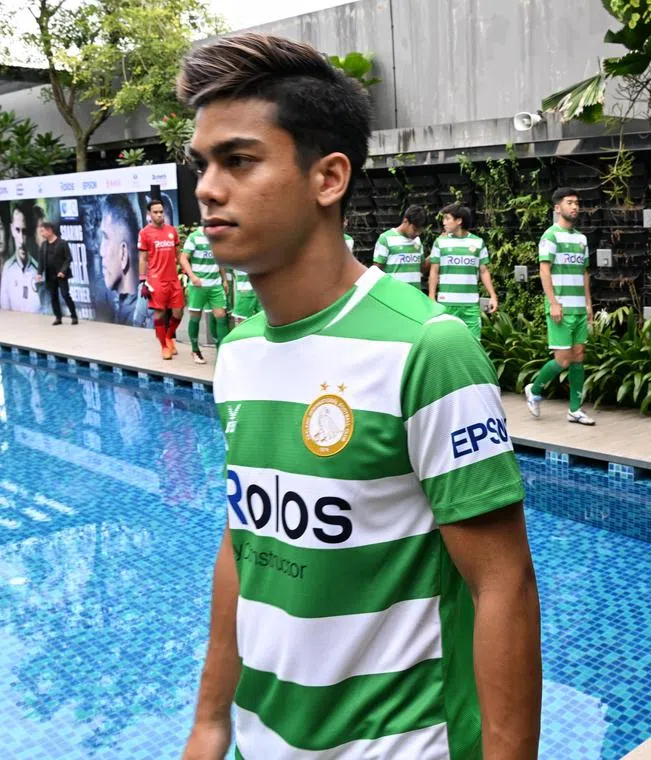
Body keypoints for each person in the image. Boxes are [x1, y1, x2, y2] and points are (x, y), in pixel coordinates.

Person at [177, 32, 541, 760]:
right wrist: (211, 724)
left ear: (328, 177)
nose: (208, 188)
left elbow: (504, 586)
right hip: (262, 740)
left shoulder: (426, 349)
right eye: (204, 164)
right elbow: (243, 543)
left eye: (239, 160)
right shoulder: (240, 351)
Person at [525, 188, 596, 426]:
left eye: (577, 203)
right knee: (563, 358)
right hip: (560, 308)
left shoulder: (581, 239)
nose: (575, 207)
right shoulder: (550, 236)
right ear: (557, 208)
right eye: (569, 203)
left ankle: (575, 410)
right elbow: (544, 270)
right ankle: (534, 390)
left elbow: (585, 273)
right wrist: (553, 303)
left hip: (578, 307)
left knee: (578, 357)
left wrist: (588, 304)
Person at [427, 203, 499, 338]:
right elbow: (434, 270)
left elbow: (483, 271)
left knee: (474, 343)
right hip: (446, 304)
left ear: (459, 221)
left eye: (447, 219)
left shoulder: (478, 242)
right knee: (447, 342)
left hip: (470, 304)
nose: (444, 222)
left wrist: (493, 296)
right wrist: (431, 296)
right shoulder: (440, 242)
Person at [137, 198, 183, 359]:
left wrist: (187, 272)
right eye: (155, 212)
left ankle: (169, 336)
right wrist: (143, 280)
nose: (159, 215)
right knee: (159, 314)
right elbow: (142, 258)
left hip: (173, 279)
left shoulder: (172, 231)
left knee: (178, 313)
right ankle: (164, 346)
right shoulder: (144, 233)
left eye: (161, 212)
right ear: (149, 214)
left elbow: (179, 255)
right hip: (156, 280)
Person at [179, 226, 229, 364]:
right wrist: (192, 277)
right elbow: (183, 258)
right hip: (198, 286)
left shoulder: (217, 236)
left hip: (215, 285)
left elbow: (220, 260)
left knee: (221, 316)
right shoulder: (194, 236)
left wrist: (224, 279)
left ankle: (222, 351)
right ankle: (195, 350)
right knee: (195, 317)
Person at [98, 196, 149, 327]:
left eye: (106, 238)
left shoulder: (136, 317)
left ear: (123, 253)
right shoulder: (123, 310)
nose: (101, 252)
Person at [0, 206, 43, 313]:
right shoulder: (8, 270)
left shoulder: (38, 270)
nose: (21, 239)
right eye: (17, 230)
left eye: (25, 231)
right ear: (12, 230)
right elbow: (5, 309)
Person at [373, 205, 427, 288]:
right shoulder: (385, 238)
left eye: (420, 231)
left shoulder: (417, 241)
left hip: (414, 295)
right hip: (394, 294)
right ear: (406, 221)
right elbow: (377, 270)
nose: (417, 234)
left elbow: (422, 268)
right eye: (415, 230)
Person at [39, 221, 78, 325]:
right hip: (50, 275)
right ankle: (58, 317)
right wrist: (39, 273)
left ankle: (74, 316)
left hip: (61, 275)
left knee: (65, 295)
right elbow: (41, 261)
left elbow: (68, 259)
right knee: (53, 296)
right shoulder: (43, 245)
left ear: (50, 230)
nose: (41, 234)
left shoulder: (62, 243)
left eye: (43, 231)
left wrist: (63, 271)